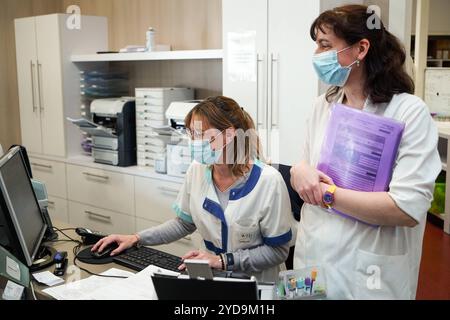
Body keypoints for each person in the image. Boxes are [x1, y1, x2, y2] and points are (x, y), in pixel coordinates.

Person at [290, 5, 441, 299]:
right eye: (316, 46)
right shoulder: (322, 105)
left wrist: (326, 194)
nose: (317, 56)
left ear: (361, 49)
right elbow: (306, 167)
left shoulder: (408, 112)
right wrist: (299, 172)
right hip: (312, 257)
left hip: (370, 273)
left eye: (325, 45)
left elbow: (406, 208)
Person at [93, 96, 295, 282]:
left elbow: (277, 252)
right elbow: (184, 224)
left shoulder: (269, 181)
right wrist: (137, 238)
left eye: (200, 134)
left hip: (256, 286)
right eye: (192, 134)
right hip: (207, 279)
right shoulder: (197, 170)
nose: (194, 143)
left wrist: (221, 261)